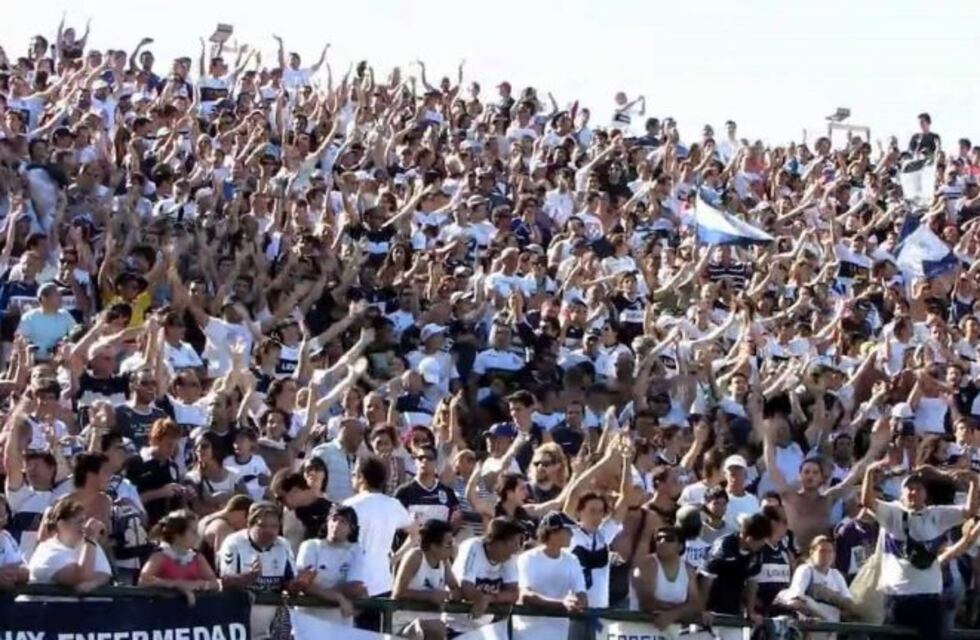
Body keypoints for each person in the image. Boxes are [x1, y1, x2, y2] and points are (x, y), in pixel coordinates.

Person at [861, 461, 977, 640]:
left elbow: (969, 512)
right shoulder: (892, 512)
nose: (913, 492)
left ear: (926, 494)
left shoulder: (936, 515)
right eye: (909, 488)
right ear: (902, 493)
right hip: (898, 597)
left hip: (929, 599)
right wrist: (869, 473)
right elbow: (867, 502)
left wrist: (974, 482)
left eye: (918, 488)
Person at [217, 501, 313, 640]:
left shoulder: (283, 545)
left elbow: (289, 585)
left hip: (269, 624)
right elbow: (224, 582)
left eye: (274, 526)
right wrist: (249, 577)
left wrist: (300, 583)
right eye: (262, 526)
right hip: (238, 620)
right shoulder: (234, 543)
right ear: (250, 525)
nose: (269, 531)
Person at [343, 455, 416, 631]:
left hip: (353, 581)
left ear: (361, 477)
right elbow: (415, 532)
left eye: (354, 474)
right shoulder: (393, 504)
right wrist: (395, 558)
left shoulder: (348, 505)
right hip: (383, 581)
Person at [514, 511, 587, 640]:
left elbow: (581, 594)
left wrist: (579, 603)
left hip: (559, 635)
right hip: (526, 635)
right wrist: (562, 604)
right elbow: (525, 595)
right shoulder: (527, 559)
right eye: (568, 530)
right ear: (553, 532)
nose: (571, 534)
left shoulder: (572, 560)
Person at [698, 512, 773, 639]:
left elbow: (752, 582)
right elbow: (706, 579)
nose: (763, 544)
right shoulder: (724, 546)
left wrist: (750, 612)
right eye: (760, 540)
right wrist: (701, 610)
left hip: (732, 610)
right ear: (747, 537)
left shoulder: (759, 551)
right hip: (710, 610)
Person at [293, 505, 368, 629]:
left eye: (343, 522)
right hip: (307, 622)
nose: (337, 525)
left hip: (339, 624)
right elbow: (303, 583)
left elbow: (354, 588)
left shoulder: (356, 551)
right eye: (334, 519)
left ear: (352, 529)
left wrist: (320, 592)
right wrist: (338, 598)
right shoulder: (310, 546)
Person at [392, 518, 461, 639]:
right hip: (404, 624)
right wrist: (429, 595)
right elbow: (398, 593)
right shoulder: (415, 556)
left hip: (433, 626)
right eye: (448, 544)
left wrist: (449, 595)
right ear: (434, 546)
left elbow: (456, 589)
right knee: (430, 629)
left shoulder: (444, 561)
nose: (452, 548)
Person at [26, 498, 112, 594]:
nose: (84, 526)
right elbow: (81, 577)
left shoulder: (89, 545)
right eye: (79, 522)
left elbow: (104, 573)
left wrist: (93, 584)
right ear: (61, 524)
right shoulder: (47, 551)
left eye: (84, 521)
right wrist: (90, 541)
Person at [631, 526, 706, 635]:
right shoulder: (646, 565)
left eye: (669, 539)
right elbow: (647, 602)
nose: (662, 542)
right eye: (658, 538)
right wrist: (683, 610)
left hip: (674, 631)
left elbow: (695, 604)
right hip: (640, 631)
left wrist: (673, 615)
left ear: (680, 546)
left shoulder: (688, 569)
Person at [778, 535, 854, 640]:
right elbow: (796, 600)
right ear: (812, 552)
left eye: (830, 551)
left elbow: (848, 603)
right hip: (811, 629)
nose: (826, 555)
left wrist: (829, 595)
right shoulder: (805, 570)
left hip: (831, 631)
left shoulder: (836, 574)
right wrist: (814, 613)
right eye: (822, 551)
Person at [138, 509, 219, 604]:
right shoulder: (160, 556)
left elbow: (215, 584)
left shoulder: (197, 558)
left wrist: (197, 585)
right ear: (177, 534)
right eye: (193, 532)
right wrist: (178, 586)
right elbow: (143, 581)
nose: (197, 536)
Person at [0, 494, 29, 590]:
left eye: (0, 515)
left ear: (6, 518)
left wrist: (11, 573)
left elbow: (24, 570)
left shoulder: (6, 537)